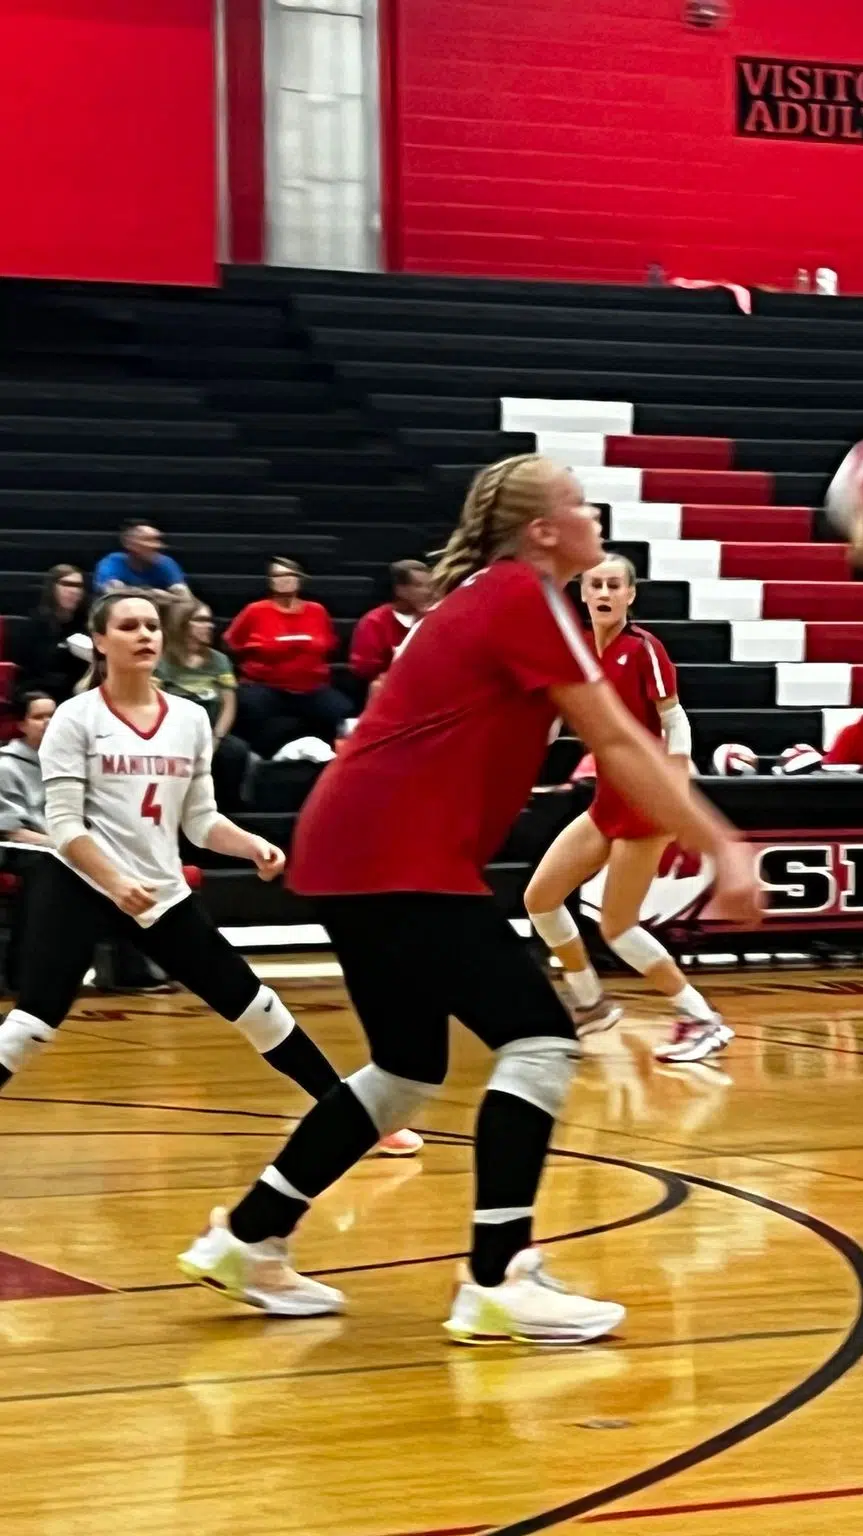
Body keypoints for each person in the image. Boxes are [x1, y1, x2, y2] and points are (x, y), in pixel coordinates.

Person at [179, 453, 763, 1342]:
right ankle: (498, 1275)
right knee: (540, 1041)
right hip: (394, 849)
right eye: (577, 502)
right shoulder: (521, 597)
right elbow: (618, 739)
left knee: (406, 1069)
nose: (592, 510)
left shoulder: (496, 600)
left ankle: (249, 1236)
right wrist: (723, 844)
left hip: (354, 842)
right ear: (542, 531)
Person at [0, 595, 420, 1163]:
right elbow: (64, 825)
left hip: (159, 891)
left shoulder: (191, 718)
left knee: (257, 1006)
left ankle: (353, 1118)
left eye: (151, 625)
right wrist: (114, 880)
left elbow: (199, 821)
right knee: (32, 1024)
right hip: (81, 882)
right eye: (128, 626)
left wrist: (250, 845)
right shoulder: (76, 718)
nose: (144, 635)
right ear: (101, 642)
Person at [522, 552, 729, 1065]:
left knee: (618, 926)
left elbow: (675, 719)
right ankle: (590, 1001)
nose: (605, 593)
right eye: (596, 585)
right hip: (607, 798)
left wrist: (677, 776)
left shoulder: (644, 649)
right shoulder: (574, 652)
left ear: (630, 595)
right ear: (584, 594)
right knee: (541, 899)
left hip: (647, 801)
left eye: (615, 585)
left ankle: (702, 1018)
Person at [224, 557, 351, 753]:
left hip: (311, 687)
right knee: (251, 706)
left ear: (300, 579)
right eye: (277, 575)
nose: (284, 579)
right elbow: (231, 642)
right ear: (270, 581)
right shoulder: (255, 610)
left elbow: (328, 645)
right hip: (266, 686)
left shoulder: (317, 611)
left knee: (340, 709)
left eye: (289, 575)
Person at [158, 598, 251, 814]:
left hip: (211, 731)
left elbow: (229, 704)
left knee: (235, 751)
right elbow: (154, 701)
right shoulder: (162, 660)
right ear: (182, 623)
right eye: (200, 620)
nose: (209, 626)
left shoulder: (219, 660)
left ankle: (226, 811)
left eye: (209, 621)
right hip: (172, 731)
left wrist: (216, 737)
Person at [349, 558, 435, 693]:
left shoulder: (435, 617)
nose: (428, 592)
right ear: (399, 590)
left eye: (430, 586)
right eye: (419, 586)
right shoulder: (374, 621)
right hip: (390, 689)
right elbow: (364, 667)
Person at [11, 565, 91, 698]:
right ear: (52, 588)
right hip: (39, 690)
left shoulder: (87, 625)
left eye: (78, 586)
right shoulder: (33, 625)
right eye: (66, 584)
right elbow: (28, 671)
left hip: (77, 692)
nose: (73, 591)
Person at [0, 693, 55, 846]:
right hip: (32, 850)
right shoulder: (6, 767)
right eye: (38, 717)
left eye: (52, 715)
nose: (48, 722)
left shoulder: (69, 760)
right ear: (21, 725)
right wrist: (61, 846)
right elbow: (12, 830)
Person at [92, 521, 190, 597]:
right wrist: (154, 594)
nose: (157, 546)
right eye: (148, 540)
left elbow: (184, 596)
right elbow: (110, 592)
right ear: (129, 544)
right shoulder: (113, 562)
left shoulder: (166, 563)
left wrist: (132, 592)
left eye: (158, 540)